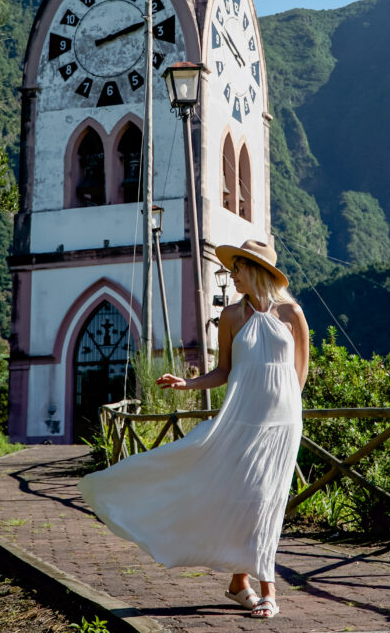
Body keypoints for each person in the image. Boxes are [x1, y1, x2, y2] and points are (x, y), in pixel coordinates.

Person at [78, 238, 309, 620]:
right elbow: (224, 371)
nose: (232, 276)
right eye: (232, 270)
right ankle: (255, 586)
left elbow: (300, 369)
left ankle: (245, 584)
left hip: (283, 424)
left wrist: (287, 409)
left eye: (237, 269)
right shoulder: (232, 316)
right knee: (246, 498)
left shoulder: (292, 313)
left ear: (256, 271)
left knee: (268, 500)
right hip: (242, 421)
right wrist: (188, 383)